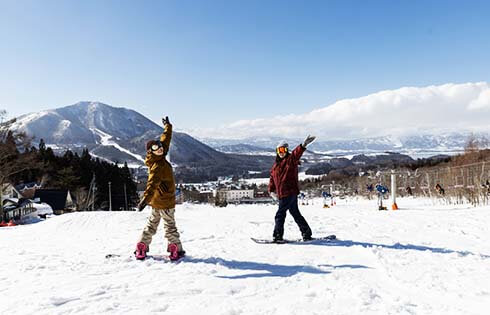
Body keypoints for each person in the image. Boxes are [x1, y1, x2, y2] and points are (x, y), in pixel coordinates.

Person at [134, 116, 185, 261]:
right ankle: (175, 248)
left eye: (161, 147)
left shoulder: (159, 156)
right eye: (156, 148)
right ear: (151, 151)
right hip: (165, 202)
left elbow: (166, 139)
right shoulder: (158, 166)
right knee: (170, 226)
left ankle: (142, 246)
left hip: (157, 201)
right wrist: (144, 200)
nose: (160, 149)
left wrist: (168, 126)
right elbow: (152, 185)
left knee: (151, 225)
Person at [268, 135, 316, 242]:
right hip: (284, 194)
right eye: (279, 150)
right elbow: (272, 178)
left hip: (288, 193)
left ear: (286, 150)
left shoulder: (290, 160)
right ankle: (306, 233)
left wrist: (303, 145)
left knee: (280, 215)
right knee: (295, 213)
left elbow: (295, 154)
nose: (281, 152)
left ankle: (277, 236)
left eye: (283, 149)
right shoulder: (275, 165)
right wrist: (271, 190)